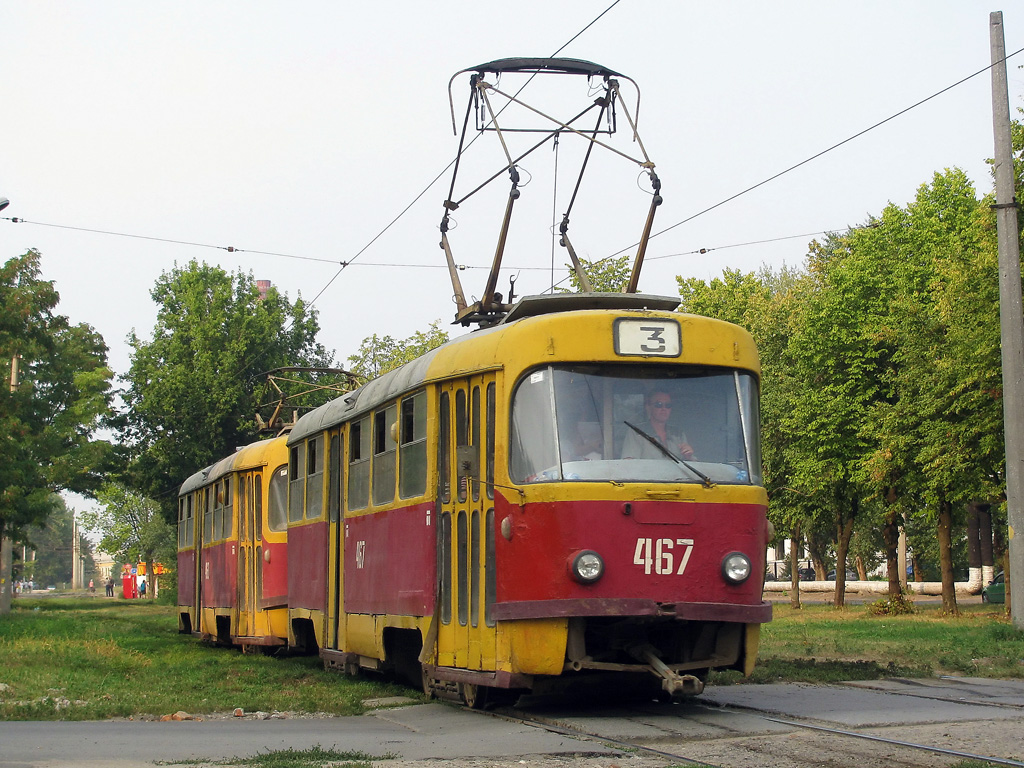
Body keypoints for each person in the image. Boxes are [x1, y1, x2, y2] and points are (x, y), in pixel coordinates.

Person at [621, 390, 695, 460]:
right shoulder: (636, 432)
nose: (664, 408)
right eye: (659, 405)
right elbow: (629, 463)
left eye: (668, 405)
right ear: (648, 407)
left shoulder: (678, 434)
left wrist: (688, 457)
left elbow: (689, 465)